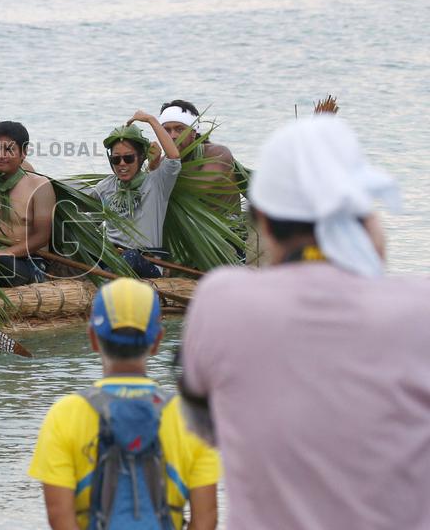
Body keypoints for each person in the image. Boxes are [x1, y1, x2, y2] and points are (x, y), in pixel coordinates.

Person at [180, 116, 430, 529]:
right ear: (362, 211)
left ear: (260, 219)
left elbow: (205, 428)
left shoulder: (222, 301)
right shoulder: (418, 308)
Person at [28, 278, 220, 530]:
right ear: (157, 341)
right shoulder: (189, 415)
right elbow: (206, 519)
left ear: (93, 338)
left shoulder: (64, 414)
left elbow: (59, 517)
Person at [89, 111, 181, 277]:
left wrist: (150, 120)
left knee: (130, 256)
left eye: (128, 158)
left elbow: (174, 157)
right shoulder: (105, 187)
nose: (122, 164)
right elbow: (87, 222)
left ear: (141, 157)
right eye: (116, 159)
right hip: (112, 258)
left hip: (147, 264)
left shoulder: (157, 183)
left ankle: (106, 283)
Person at [0, 121, 54, 286]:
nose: (0, 155)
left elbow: (42, 237)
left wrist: (7, 252)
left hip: (26, 261)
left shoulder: (40, 186)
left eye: (9, 149)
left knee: (3, 264)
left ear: (24, 152)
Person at [150, 100, 240, 209]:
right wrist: (152, 167)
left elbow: (198, 189)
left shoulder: (217, 153)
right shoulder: (164, 163)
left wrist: (155, 170)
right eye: (167, 131)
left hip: (228, 224)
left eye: (179, 129)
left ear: (193, 133)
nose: (172, 136)